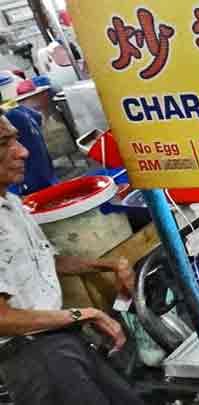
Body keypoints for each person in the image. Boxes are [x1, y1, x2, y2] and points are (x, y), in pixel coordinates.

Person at [0, 116, 142, 405]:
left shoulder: (11, 204)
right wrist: (85, 314)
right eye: (4, 144)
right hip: (32, 354)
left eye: (16, 139)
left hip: (60, 339)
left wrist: (109, 265)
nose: (23, 151)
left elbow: (46, 261)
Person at [5, 104, 57, 195]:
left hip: (32, 184)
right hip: (47, 174)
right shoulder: (20, 109)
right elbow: (38, 117)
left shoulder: (7, 118)